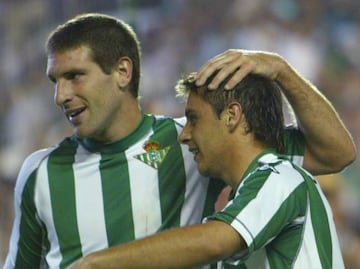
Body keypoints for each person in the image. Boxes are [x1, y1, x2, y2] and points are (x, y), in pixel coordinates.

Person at [3, 12, 355, 269]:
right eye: (55, 81)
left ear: (123, 72)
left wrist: (280, 69)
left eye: (75, 76)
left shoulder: (192, 146)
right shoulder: (40, 172)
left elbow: (334, 152)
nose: (61, 95)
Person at [68, 72, 346, 269]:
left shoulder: (280, 177)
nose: (184, 135)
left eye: (193, 119)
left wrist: (97, 263)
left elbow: (214, 242)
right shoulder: (243, 200)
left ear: (231, 116)